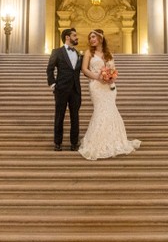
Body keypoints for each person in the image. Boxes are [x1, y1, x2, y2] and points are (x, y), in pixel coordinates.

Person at [78, 29, 140, 160]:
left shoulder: (109, 53)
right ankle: (96, 142)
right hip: (96, 85)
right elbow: (84, 69)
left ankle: (113, 140)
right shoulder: (89, 52)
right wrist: (97, 77)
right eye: (90, 38)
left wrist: (111, 78)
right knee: (100, 111)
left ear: (100, 38)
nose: (91, 40)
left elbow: (113, 70)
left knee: (111, 110)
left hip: (109, 87)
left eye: (93, 37)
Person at [46, 27, 82, 151]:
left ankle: (74, 143)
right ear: (67, 37)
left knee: (75, 117)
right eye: (74, 35)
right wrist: (53, 84)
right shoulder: (57, 52)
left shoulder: (78, 53)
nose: (77, 37)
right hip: (61, 89)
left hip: (75, 90)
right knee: (59, 116)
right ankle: (57, 143)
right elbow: (50, 69)